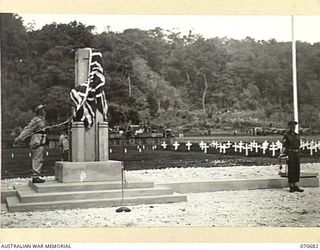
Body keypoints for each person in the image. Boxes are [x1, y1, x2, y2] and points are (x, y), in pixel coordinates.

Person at [14, 104, 48, 183]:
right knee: (37, 158)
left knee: (39, 158)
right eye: (43, 110)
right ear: (39, 112)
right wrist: (19, 138)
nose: (44, 111)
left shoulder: (41, 120)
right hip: (37, 142)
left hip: (40, 141)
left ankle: (36, 175)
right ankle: (35, 177)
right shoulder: (36, 120)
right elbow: (28, 129)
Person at [280, 121, 304, 193]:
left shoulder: (297, 135)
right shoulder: (286, 135)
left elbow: (298, 145)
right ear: (289, 127)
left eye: (294, 126)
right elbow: (284, 145)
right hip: (290, 153)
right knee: (291, 169)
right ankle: (291, 185)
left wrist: (299, 153)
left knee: (297, 168)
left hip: (296, 153)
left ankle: (296, 185)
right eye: (292, 126)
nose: (293, 128)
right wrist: (283, 154)